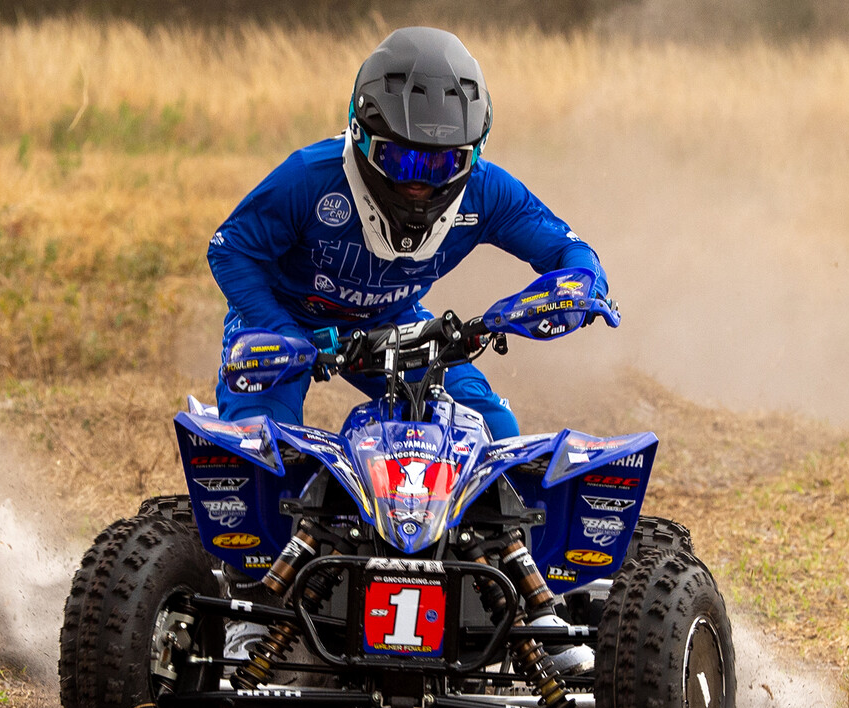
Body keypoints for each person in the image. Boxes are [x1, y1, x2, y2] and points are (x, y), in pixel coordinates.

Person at [206, 26, 605, 440]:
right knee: (260, 445)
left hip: (394, 323)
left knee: (494, 430)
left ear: (475, 150)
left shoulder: (487, 191)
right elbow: (230, 250)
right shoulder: (309, 177)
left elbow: (570, 251)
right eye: (401, 159)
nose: (421, 183)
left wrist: (580, 285)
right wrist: (282, 330)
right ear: (361, 137)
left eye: (443, 164)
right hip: (284, 320)